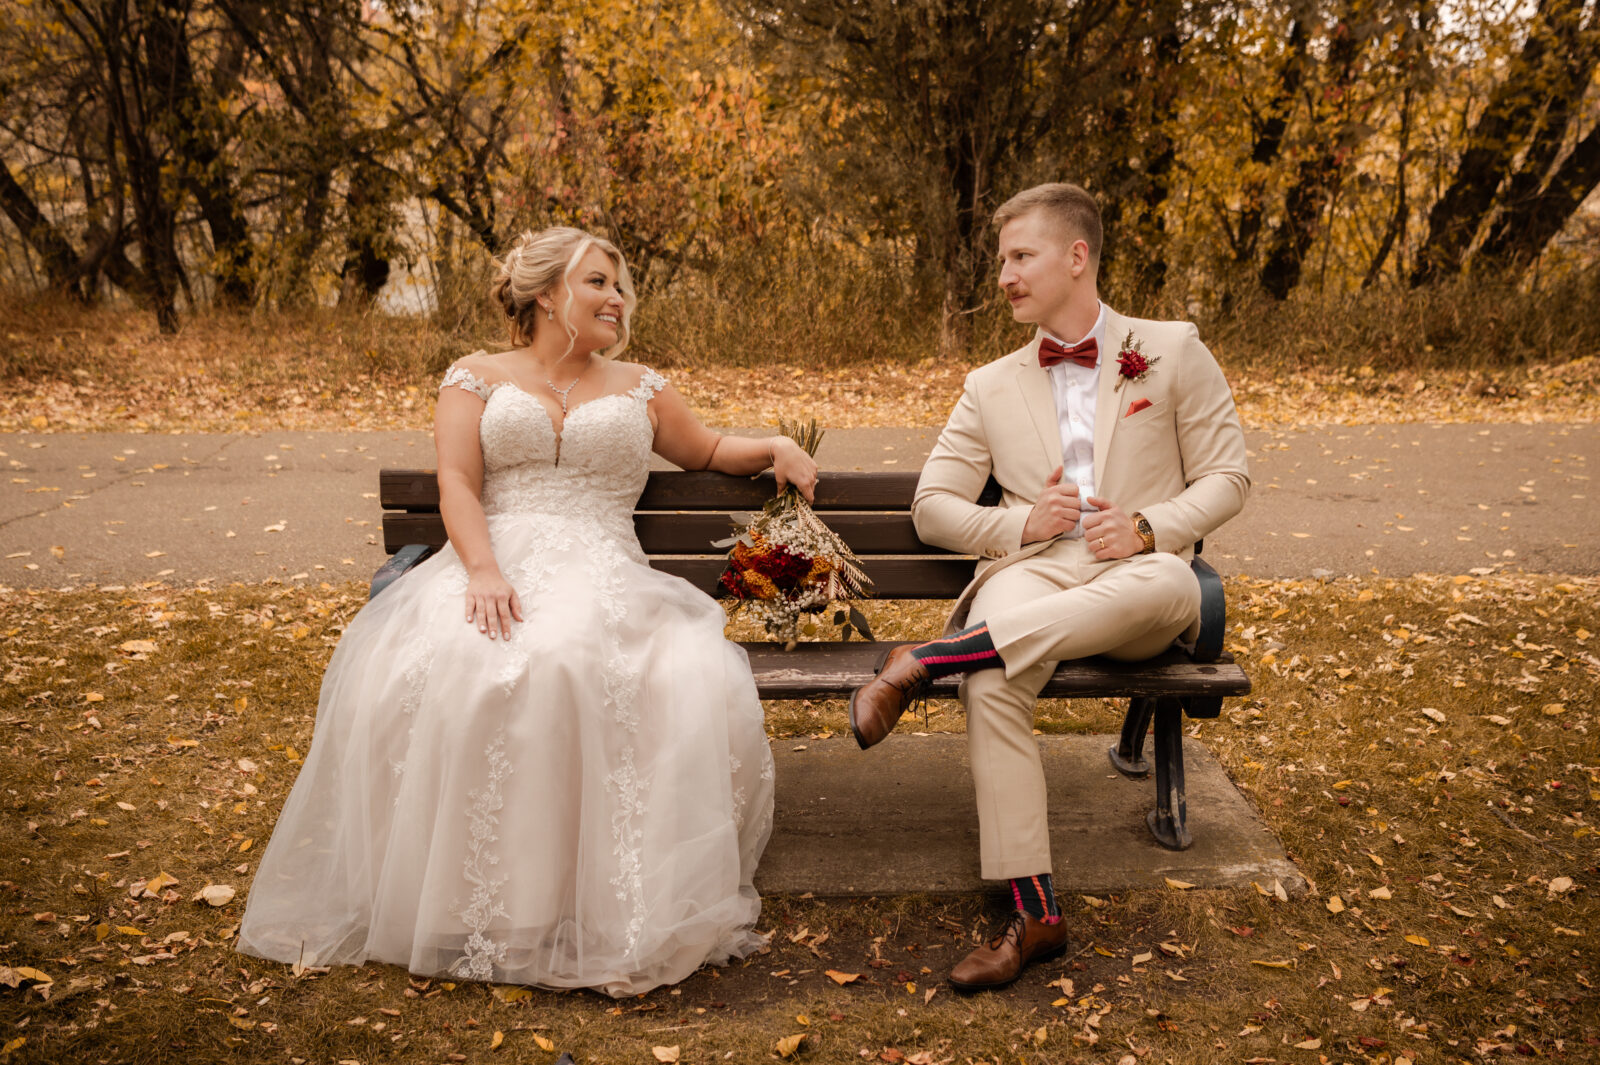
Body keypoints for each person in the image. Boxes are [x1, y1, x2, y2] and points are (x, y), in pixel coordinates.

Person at [238, 226, 817, 997]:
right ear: (548, 293)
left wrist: (774, 445)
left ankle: (576, 896)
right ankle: (467, 901)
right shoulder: (475, 376)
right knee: (461, 663)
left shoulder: (641, 385)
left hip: (604, 569)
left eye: (619, 286)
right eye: (599, 282)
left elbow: (707, 449)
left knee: (582, 660)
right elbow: (457, 480)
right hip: (492, 562)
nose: (617, 298)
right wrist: (482, 569)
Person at [847, 183, 1249, 991]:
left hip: (1138, 579)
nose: (1004, 276)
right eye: (1002, 260)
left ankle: (929, 658)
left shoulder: (1172, 349)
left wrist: (1147, 527)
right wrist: (1019, 524)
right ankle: (1036, 915)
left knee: (1174, 585)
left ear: (1076, 256)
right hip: (1030, 573)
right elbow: (933, 505)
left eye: (1020, 256)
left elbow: (1228, 477)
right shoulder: (990, 384)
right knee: (992, 681)